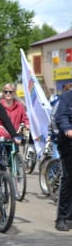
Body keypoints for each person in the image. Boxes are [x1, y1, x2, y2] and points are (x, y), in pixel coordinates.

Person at [54, 88, 72, 231]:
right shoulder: (66, 97)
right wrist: (67, 129)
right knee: (68, 179)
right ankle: (62, 217)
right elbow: (61, 117)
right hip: (69, 144)